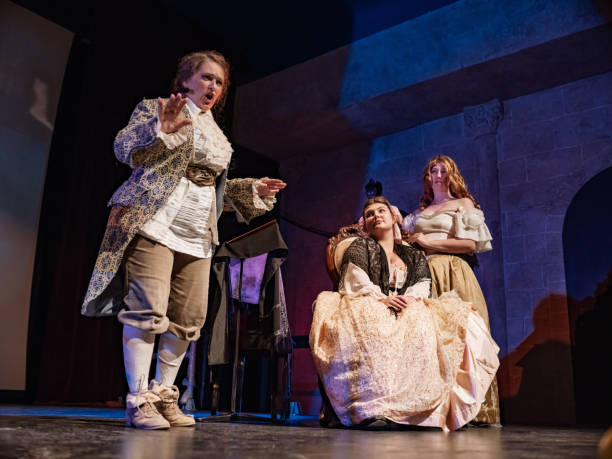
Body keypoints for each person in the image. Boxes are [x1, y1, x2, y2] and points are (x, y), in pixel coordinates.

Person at [81, 50, 286, 429]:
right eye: (206, 78)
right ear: (185, 81)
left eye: (219, 82)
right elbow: (124, 148)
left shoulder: (217, 135)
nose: (213, 87)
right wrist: (159, 129)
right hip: (154, 220)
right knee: (147, 307)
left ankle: (163, 394)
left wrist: (251, 188)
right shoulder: (156, 108)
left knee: (188, 318)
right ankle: (138, 398)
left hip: (198, 232)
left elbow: (215, 189)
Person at [310, 196, 499, 431]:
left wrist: (409, 299)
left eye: (381, 211)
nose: (376, 215)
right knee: (371, 318)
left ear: (393, 218)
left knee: (458, 320)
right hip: (371, 299)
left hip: (407, 302)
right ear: (366, 224)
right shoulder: (361, 246)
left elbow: (423, 283)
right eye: (370, 214)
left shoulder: (412, 254)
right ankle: (373, 408)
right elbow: (355, 278)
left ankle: (421, 408)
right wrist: (383, 298)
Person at [401, 154, 500, 425]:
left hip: (454, 271)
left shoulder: (463, 204)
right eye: (434, 170)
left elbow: (469, 245)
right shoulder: (417, 214)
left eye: (444, 170)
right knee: (431, 340)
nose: (439, 175)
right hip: (424, 274)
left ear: (452, 175)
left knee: (465, 336)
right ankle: (436, 410)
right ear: (427, 177)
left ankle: (475, 411)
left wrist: (428, 243)